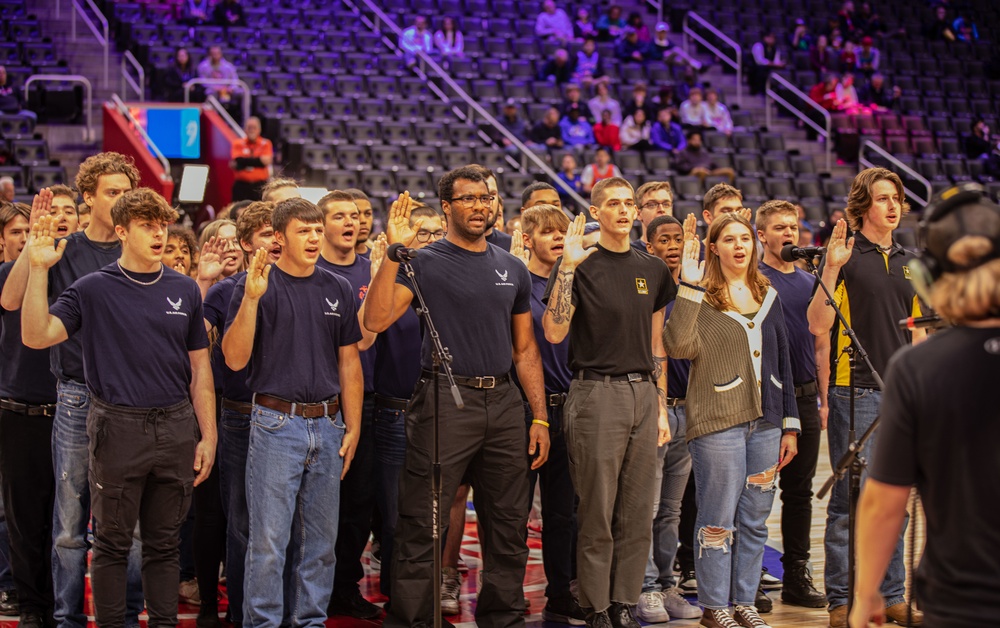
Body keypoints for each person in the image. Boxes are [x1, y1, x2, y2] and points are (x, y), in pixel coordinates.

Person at [22, 188, 216, 628]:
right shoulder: (92, 288)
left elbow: (200, 369)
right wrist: (36, 269)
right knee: (111, 543)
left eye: (163, 224)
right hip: (117, 426)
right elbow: (37, 335)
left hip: (175, 424)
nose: (158, 233)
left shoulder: (185, 288)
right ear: (123, 231)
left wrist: (209, 433)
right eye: (147, 225)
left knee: (164, 544)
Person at [365, 170, 549, 628]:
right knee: (422, 524)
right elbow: (375, 319)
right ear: (447, 206)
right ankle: (412, 620)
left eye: (486, 198)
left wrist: (540, 418)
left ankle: (502, 618)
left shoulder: (512, 266)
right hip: (443, 402)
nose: (480, 206)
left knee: (508, 526)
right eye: (468, 199)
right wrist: (393, 252)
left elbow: (525, 348)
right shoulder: (422, 261)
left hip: (505, 404)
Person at [0, 153, 146, 628]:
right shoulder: (65, 247)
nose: (121, 200)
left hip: (130, 399)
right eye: (111, 192)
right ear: (89, 198)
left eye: (126, 191)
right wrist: (33, 252)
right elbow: (12, 299)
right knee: (68, 527)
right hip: (76, 396)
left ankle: (120, 614)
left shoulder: (142, 249)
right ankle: (66, 616)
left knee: (126, 525)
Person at [849, 184, 1000, 628]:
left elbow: (884, 501)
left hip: (960, 599)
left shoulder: (917, 367)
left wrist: (868, 592)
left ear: (929, 277)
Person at [223, 198, 363, 628]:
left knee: (320, 542)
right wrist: (250, 299)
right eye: (304, 231)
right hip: (275, 421)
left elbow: (349, 363)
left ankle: (309, 621)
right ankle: (262, 623)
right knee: (268, 540)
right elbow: (233, 358)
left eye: (317, 230)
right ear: (279, 238)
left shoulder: (336, 286)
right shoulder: (254, 284)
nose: (315, 238)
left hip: (328, 421)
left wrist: (352, 426)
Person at [542, 177, 674, 627]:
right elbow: (555, 332)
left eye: (627, 204)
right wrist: (566, 268)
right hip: (596, 392)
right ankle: (595, 604)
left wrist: (660, 407)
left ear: (637, 213)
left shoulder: (652, 268)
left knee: (638, 512)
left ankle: (624, 601)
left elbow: (657, 345)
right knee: (597, 511)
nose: (622, 210)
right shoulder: (580, 264)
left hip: (643, 392)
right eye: (612, 204)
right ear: (596, 212)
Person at [662, 212, 799, 628]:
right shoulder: (698, 295)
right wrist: (686, 285)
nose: (739, 246)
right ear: (714, 248)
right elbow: (678, 345)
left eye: (744, 238)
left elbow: (783, 361)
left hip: (768, 422)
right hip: (718, 422)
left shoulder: (768, 293)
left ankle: (744, 602)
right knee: (718, 519)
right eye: (729, 240)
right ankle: (714, 605)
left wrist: (790, 422)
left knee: (755, 518)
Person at [806, 167, 925, 628]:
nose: (892, 206)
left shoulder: (914, 262)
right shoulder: (843, 257)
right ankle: (841, 598)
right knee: (850, 502)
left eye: (896, 197)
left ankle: (892, 595)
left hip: (903, 396)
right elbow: (817, 323)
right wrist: (831, 265)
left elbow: (921, 336)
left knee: (895, 497)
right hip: (854, 392)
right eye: (881, 198)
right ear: (862, 206)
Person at [203, 201, 280, 628]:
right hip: (240, 416)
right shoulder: (223, 291)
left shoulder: (299, 284)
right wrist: (201, 279)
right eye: (266, 233)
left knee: (284, 524)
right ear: (249, 243)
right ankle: (239, 610)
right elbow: (192, 345)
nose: (274, 240)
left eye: (277, 232)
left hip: (289, 417)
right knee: (242, 521)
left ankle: (276, 609)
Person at [313, 191, 383, 619]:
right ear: (321, 224)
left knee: (359, 505)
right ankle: (312, 589)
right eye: (340, 216)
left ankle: (344, 587)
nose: (352, 222)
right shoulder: (309, 269)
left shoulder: (369, 269)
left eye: (356, 216)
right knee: (317, 508)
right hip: (318, 404)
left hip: (367, 400)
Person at [755, 201, 828, 609]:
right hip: (765, 399)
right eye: (779, 227)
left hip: (803, 395)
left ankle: (797, 572)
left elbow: (821, 344)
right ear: (761, 235)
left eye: (793, 226)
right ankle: (748, 577)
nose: (789, 233)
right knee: (755, 492)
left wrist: (822, 399)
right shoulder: (755, 279)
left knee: (799, 492)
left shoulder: (808, 280)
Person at [370, 201, 444, 603]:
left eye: (437, 233)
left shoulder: (445, 277)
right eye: (422, 233)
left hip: (440, 408)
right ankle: (400, 602)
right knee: (398, 515)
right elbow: (368, 332)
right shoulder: (388, 278)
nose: (430, 241)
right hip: (395, 409)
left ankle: (425, 598)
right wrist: (384, 266)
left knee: (435, 515)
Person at [517, 204, 587, 624]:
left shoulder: (577, 280)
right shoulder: (515, 281)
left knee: (566, 512)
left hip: (572, 403)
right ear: (528, 238)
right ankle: (506, 591)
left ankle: (562, 591)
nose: (558, 238)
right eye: (548, 232)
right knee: (513, 511)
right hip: (524, 409)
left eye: (563, 231)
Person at [636, 214, 703, 623]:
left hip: (689, 411)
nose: (673, 245)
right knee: (647, 505)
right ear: (649, 245)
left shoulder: (695, 287)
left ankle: (666, 583)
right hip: (655, 409)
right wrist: (657, 406)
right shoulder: (647, 288)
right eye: (664, 239)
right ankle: (644, 588)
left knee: (672, 510)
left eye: (678, 238)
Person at [0, 201, 57, 628]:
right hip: (19, 409)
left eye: (31, 229)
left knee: (69, 524)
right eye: (16, 231)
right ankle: (33, 605)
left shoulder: (75, 272)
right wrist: (31, 251)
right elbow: (10, 298)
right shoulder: (11, 273)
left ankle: (62, 603)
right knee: (24, 521)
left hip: (73, 410)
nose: (26, 235)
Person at [229, 117, 273, 203]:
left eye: (254, 128)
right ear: (245, 129)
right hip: (241, 187)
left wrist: (243, 163)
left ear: (259, 130)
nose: (252, 130)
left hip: (260, 186)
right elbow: (237, 160)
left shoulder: (266, 143)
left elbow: (266, 161)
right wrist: (259, 161)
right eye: (249, 127)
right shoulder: (237, 143)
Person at [631, 181, 673, 252]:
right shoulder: (630, 253)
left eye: (666, 204)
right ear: (638, 213)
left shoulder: (684, 250)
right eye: (652, 205)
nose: (661, 209)